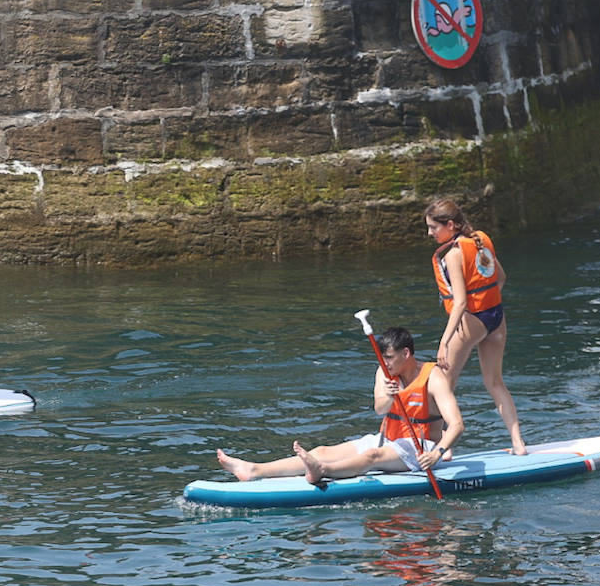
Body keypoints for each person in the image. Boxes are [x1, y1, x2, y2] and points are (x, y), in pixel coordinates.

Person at [216, 327, 463, 484]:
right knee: (323, 449)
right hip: (388, 440)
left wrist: (438, 453)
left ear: (406, 354)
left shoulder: (434, 377)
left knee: (372, 456)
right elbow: (380, 409)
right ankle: (254, 470)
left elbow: (457, 425)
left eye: (389, 357)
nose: (385, 363)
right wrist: (389, 396)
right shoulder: (384, 372)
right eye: (382, 358)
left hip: (422, 449)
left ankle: (321, 470)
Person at [425, 198, 527, 455]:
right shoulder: (481, 239)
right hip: (496, 317)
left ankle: (445, 448)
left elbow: (460, 303)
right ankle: (518, 444)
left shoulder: (454, 254)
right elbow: (501, 277)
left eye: (433, 227)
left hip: (471, 320)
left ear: (450, 225)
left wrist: (444, 342)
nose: (429, 233)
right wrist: (486, 303)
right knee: (495, 382)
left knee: (441, 384)